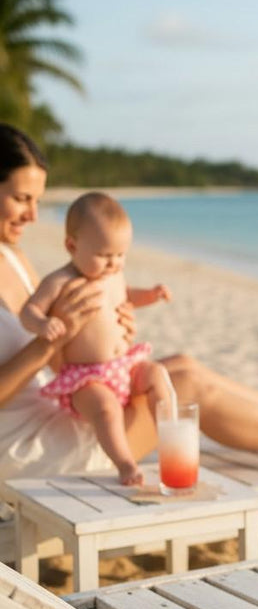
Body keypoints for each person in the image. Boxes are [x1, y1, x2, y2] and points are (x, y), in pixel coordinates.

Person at [0, 124, 258, 484]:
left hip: (57, 410)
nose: (33, 215)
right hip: (25, 450)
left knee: (183, 365)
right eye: (21, 199)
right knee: (185, 385)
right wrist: (51, 341)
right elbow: (44, 348)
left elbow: (57, 360)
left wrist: (104, 329)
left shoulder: (15, 259)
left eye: (38, 200)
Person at [22, 191, 173, 485]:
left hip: (123, 366)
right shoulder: (60, 281)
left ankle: (170, 437)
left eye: (120, 255)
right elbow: (29, 310)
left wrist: (151, 295)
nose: (113, 263)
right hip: (85, 379)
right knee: (106, 410)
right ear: (71, 245)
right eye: (104, 255)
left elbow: (128, 295)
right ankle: (125, 463)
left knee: (157, 373)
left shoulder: (114, 274)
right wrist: (43, 323)